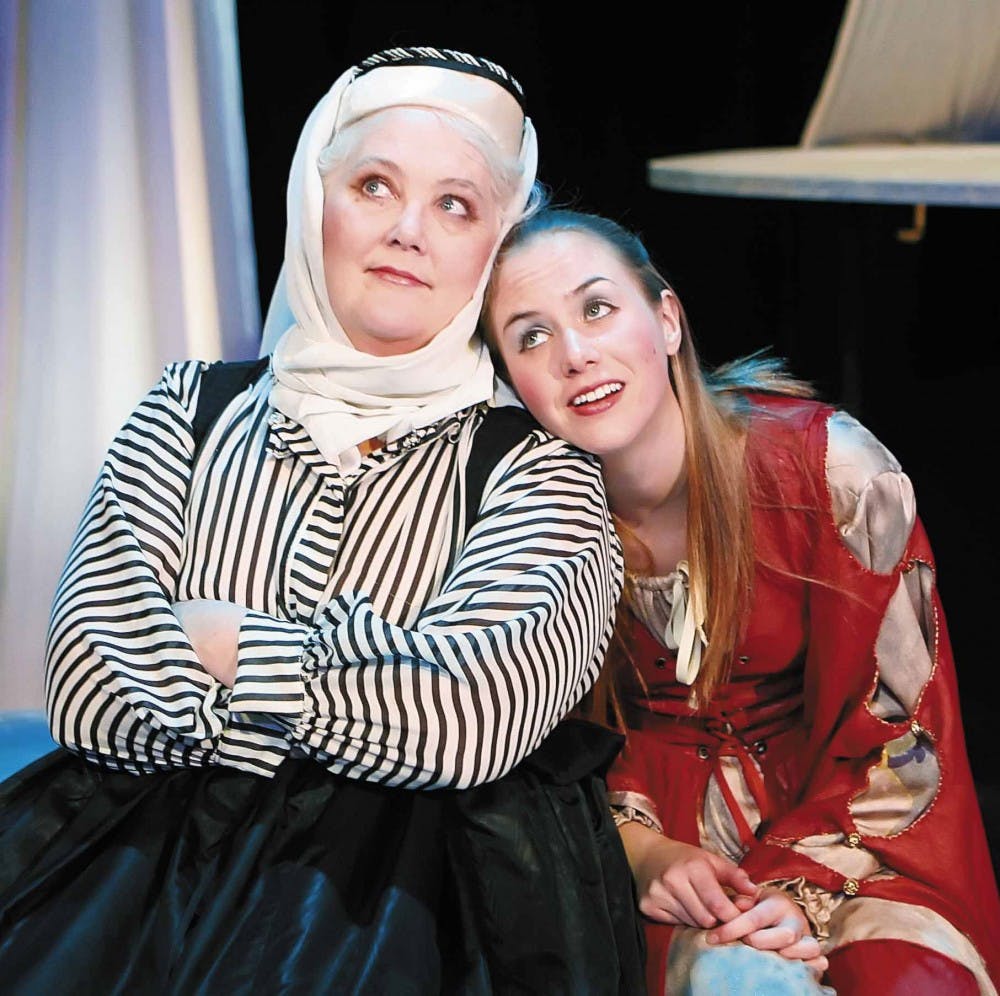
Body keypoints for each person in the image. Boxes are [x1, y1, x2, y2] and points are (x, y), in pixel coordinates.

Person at [0, 53, 646, 995]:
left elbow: (470, 718)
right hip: (129, 870)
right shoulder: (188, 407)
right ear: (317, 199)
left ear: (493, 246)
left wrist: (224, 641)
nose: (406, 232)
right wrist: (364, 676)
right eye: (374, 185)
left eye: (456, 205)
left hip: (409, 901)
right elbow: (90, 681)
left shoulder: (535, 465)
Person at [482, 207, 1000, 995]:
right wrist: (644, 857)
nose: (576, 355)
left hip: (861, 844)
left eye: (596, 309)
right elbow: (535, 760)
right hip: (667, 864)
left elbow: (908, 735)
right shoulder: (522, 533)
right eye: (531, 336)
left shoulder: (831, 472)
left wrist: (796, 886)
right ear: (506, 377)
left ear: (666, 320)